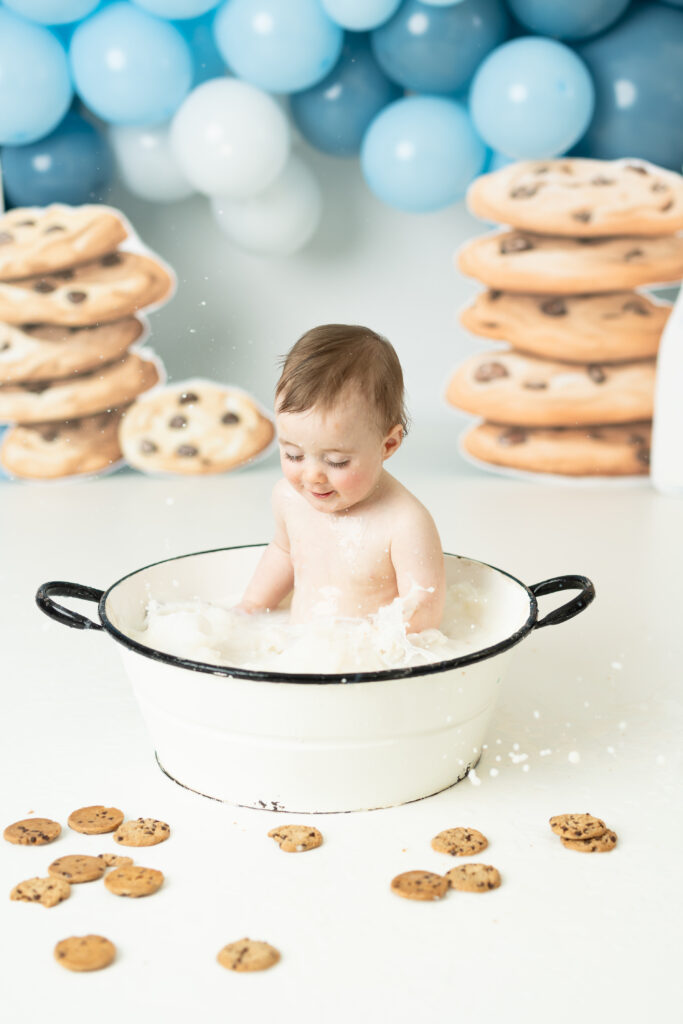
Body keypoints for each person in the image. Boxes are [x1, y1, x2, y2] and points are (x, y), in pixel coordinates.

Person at [237, 324, 446, 634]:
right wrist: (249, 609)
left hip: (368, 665)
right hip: (300, 649)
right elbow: (283, 553)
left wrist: (376, 649)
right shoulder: (288, 499)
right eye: (293, 455)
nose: (311, 476)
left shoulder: (404, 522)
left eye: (337, 461)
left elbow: (424, 606)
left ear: (387, 445)